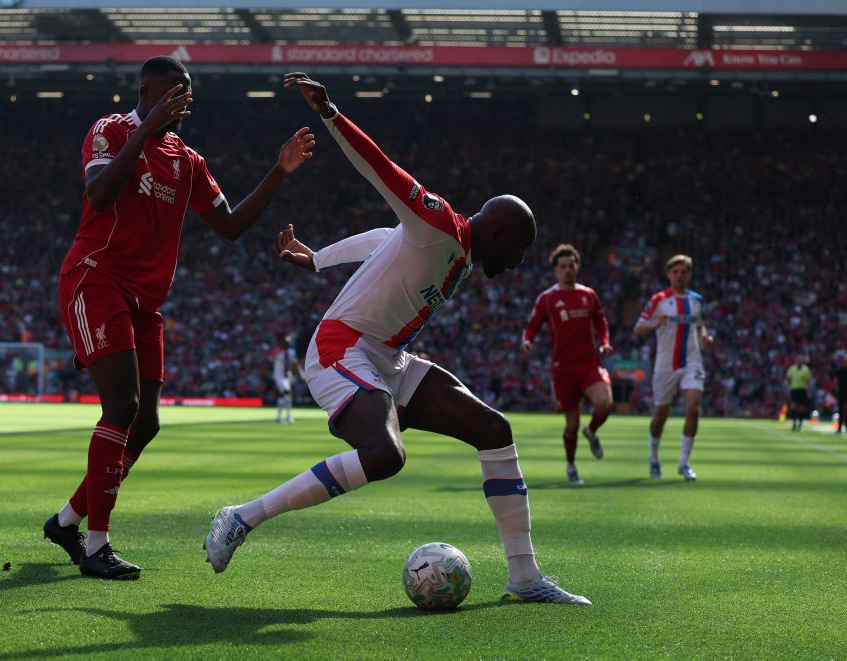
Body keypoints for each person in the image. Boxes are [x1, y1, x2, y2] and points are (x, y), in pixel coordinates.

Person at [203, 72, 591, 606]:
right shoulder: (439, 225)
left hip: (388, 356)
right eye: (519, 250)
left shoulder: (457, 254)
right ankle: (243, 517)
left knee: (494, 429)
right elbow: (382, 169)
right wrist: (331, 114)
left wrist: (316, 259)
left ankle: (524, 578)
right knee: (385, 454)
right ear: (499, 233)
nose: (518, 262)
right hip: (340, 348)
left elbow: (381, 239)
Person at [42, 56, 315, 579]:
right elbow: (99, 194)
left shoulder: (188, 161)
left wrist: (279, 171)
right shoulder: (111, 129)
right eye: (174, 94)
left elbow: (230, 225)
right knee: (122, 406)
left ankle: (67, 521)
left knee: (145, 423)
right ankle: (96, 545)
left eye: (188, 95)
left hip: (145, 302)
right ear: (147, 92)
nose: (184, 103)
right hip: (96, 277)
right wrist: (144, 131)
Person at [520, 244, 614, 485]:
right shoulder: (548, 299)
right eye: (563, 266)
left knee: (605, 403)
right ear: (556, 270)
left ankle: (591, 431)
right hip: (563, 368)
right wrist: (527, 341)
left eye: (571, 265)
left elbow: (600, 322)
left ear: (577, 267)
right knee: (572, 425)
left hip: (589, 363)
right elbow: (532, 325)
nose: (568, 270)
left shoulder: (589, 295)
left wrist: (605, 342)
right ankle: (571, 466)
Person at [634, 255, 714, 481]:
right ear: (669, 274)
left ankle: (684, 463)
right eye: (675, 272)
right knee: (660, 415)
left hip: (692, 361)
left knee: (693, 408)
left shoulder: (696, 300)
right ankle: (653, 457)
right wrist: (655, 324)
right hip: (665, 365)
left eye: (684, 271)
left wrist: (705, 337)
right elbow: (639, 328)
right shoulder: (659, 300)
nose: (679, 276)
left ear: (689, 274)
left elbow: (699, 325)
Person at [272, 334, 305, 424]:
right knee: (286, 392)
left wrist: (301, 374)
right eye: (285, 342)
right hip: (279, 375)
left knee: (285, 396)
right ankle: (288, 416)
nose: (286, 343)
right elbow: (271, 358)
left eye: (288, 342)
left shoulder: (291, 352)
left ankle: (280, 417)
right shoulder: (278, 351)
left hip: (287, 376)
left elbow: (295, 364)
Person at [786, 356, 812, 432]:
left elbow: (808, 381)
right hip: (794, 390)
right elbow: (789, 379)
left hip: (803, 390)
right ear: (796, 361)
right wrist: (788, 389)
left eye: (801, 360)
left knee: (801, 408)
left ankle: (800, 424)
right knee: (793, 406)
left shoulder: (806, 369)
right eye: (798, 360)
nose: (799, 361)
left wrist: (808, 391)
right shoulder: (792, 369)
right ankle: (794, 423)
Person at [834, 353, 847, 434]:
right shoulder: (840, 370)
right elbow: (835, 380)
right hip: (842, 392)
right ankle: (839, 427)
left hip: (842, 392)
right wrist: (837, 390)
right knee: (840, 410)